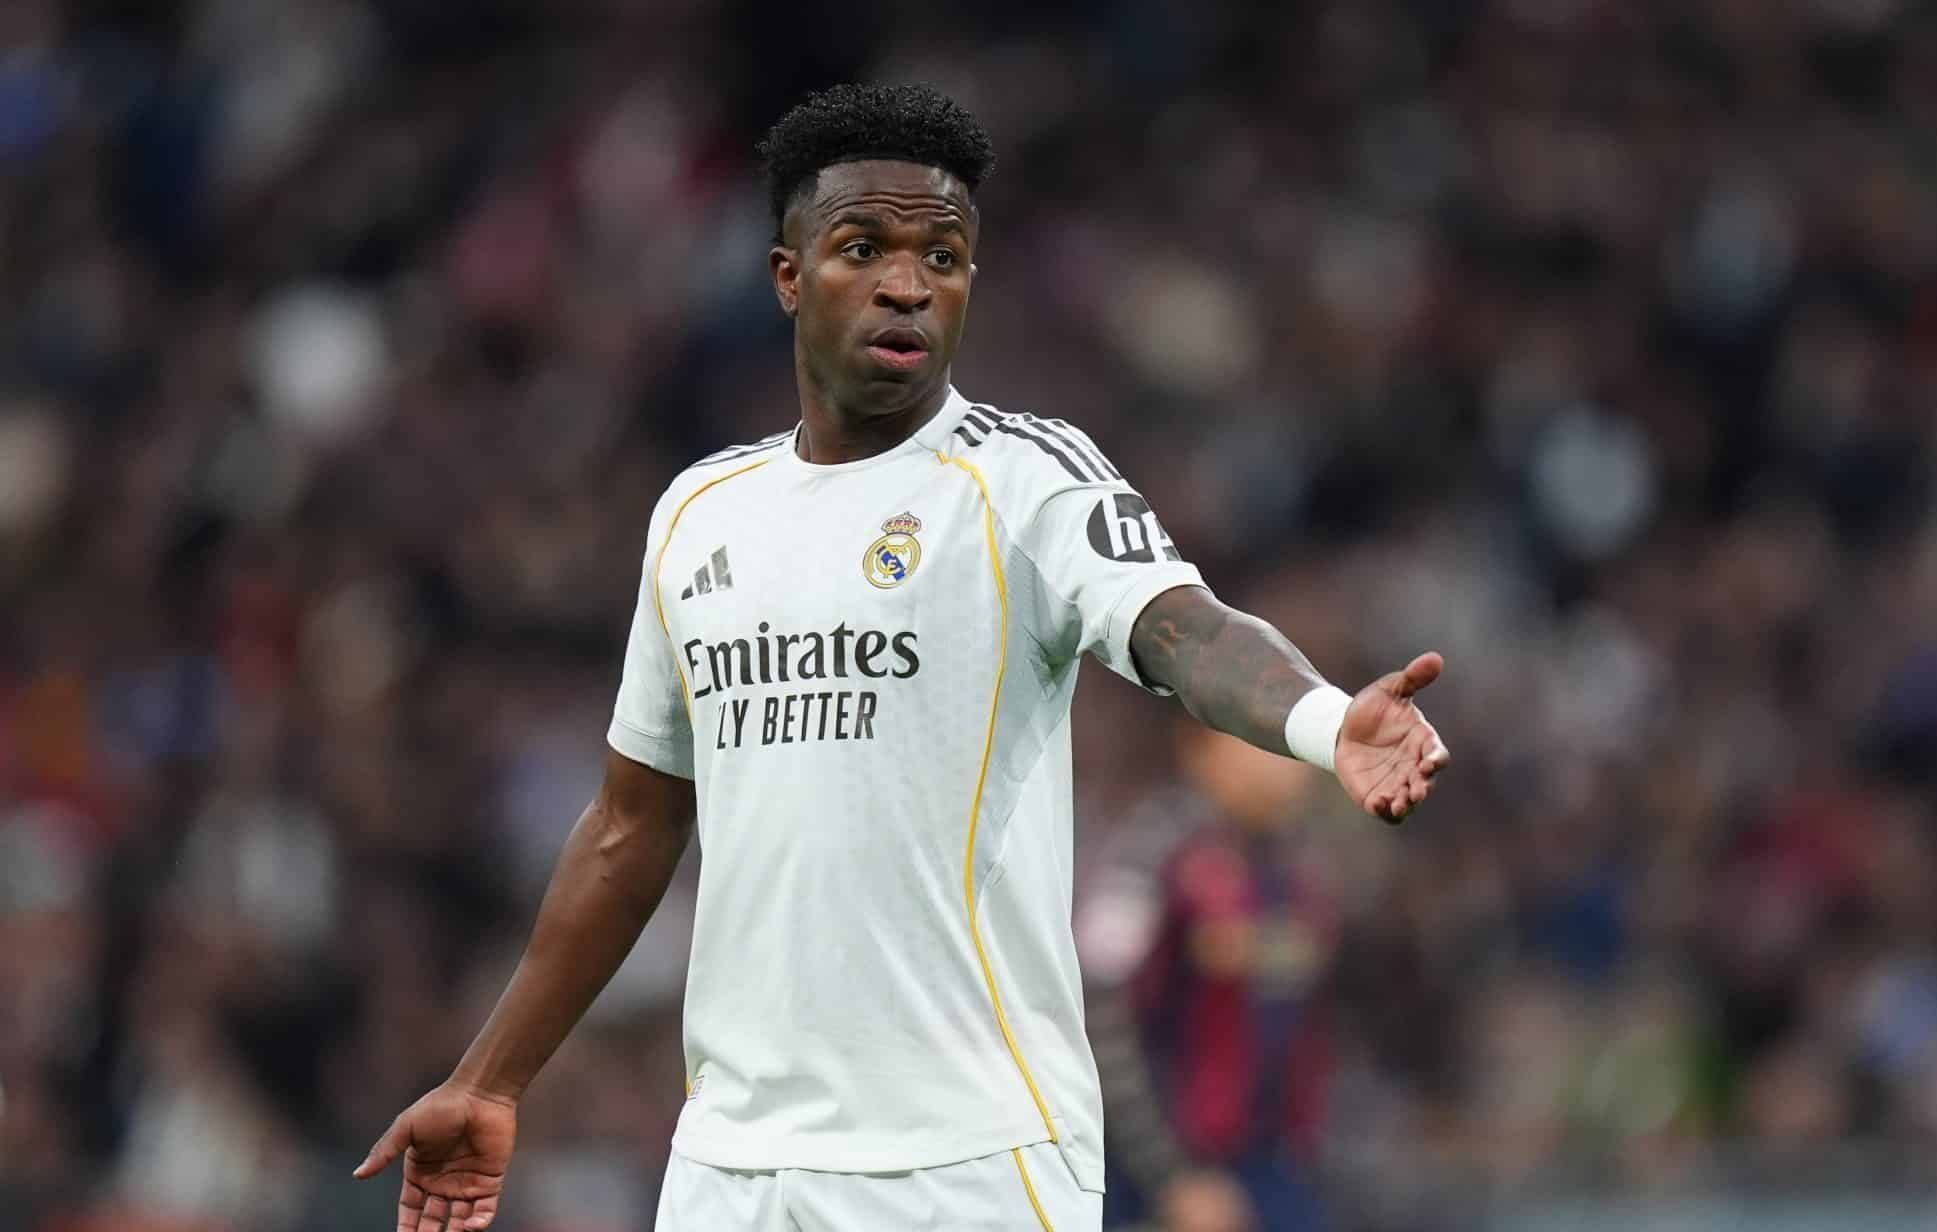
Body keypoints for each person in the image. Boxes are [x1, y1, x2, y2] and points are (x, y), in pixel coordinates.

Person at [353, 83, 1450, 1232]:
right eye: (863, 247)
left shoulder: (1025, 478)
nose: (908, 284)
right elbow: (631, 825)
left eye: (943, 256)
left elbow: (1187, 628)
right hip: (732, 1164)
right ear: (787, 276)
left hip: (967, 1161)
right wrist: (489, 1078)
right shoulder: (697, 515)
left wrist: (1324, 720)